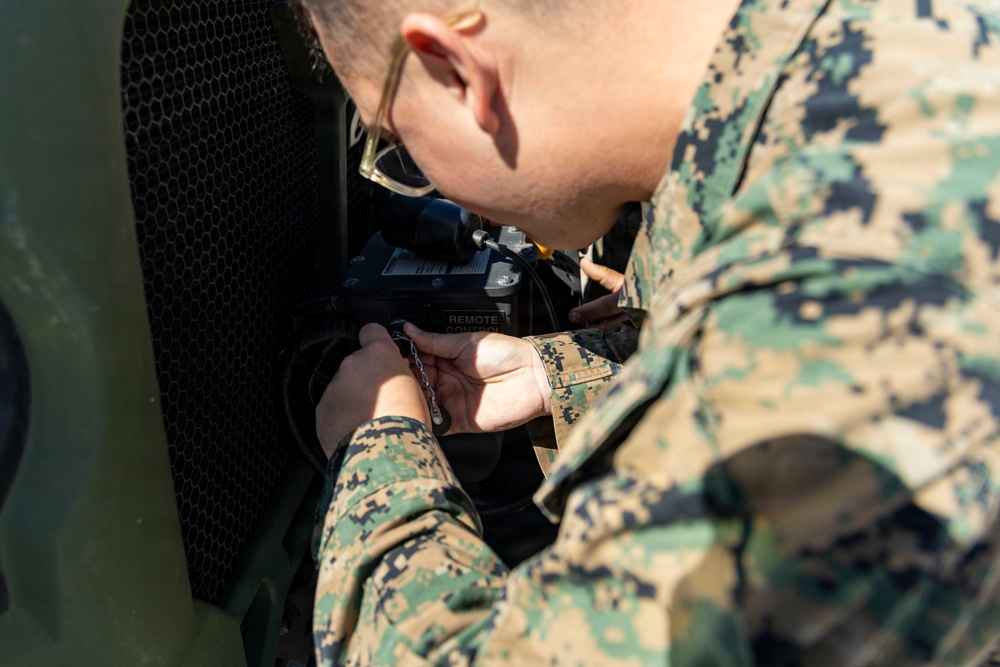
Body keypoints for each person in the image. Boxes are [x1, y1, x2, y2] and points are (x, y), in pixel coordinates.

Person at [292, 0, 1000, 664]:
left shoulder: (879, 252)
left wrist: (375, 453)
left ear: (457, 72)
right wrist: (566, 375)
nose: (428, 185)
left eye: (401, 147)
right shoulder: (848, 78)